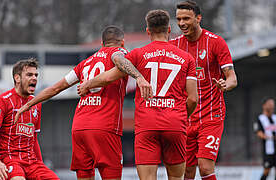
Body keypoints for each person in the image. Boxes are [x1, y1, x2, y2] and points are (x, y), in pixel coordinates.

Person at [14, 25, 152, 180]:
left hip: (79, 128)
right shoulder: (119, 52)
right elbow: (118, 60)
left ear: (101, 43)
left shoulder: (85, 63)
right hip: (104, 127)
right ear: (122, 43)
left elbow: (56, 88)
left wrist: (28, 104)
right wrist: (139, 77)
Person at [78, 9, 198, 180]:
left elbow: (108, 77)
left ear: (148, 31)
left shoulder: (137, 54)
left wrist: (88, 84)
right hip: (175, 124)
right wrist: (179, 116)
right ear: (169, 30)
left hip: (146, 124)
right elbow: (193, 98)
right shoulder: (187, 58)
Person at [170, 1, 238, 180]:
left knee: (205, 167)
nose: (182, 23)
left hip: (211, 115)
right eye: (178, 19)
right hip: (185, 117)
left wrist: (226, 84)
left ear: (198, 18)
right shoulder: (174, 46)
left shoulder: (216, 42)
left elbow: (232, 77)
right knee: (187, 171)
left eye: (186, 18)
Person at [0, 59, 59, 180]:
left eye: (36, 75)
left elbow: (34, 139)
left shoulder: (36, 103)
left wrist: (41, 165)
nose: (34, 78)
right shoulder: (2, 101)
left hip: (31, 162)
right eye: (29, 75)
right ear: (17, 78)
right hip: (10, 160)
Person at [253, 97, 276, 180]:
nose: (272, 106)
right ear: (264, 106)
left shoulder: (275, 117)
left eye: (273, 105)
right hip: (268, 150)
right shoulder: (260, 118)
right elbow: (258, 132)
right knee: (267, 171)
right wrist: (270, 137)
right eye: (270, 104)